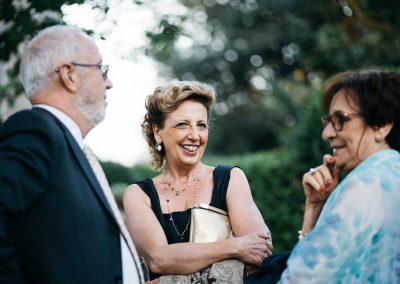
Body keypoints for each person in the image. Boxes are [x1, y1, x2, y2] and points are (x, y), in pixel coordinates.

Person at [0, 25, 143, 284]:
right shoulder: (37, 132)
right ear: (69, 75)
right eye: (101, 69)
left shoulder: (68, 146)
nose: (109, 83)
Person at [123, 80, 273, 281]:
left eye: (201, 125)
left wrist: (170, 274)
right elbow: (158, 259)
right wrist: (235, 246)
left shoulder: (230, 179)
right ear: (158, 132)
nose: (195, 135)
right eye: (183, 124)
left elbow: (259, 253)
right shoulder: (138, 195)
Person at [278, 70, 400, 282]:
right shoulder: (392, 172)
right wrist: (315, 208)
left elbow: (301, 278)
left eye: (341, 119)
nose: (327, 133)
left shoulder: (364, 186)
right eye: (329, 121)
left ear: (382, 125)